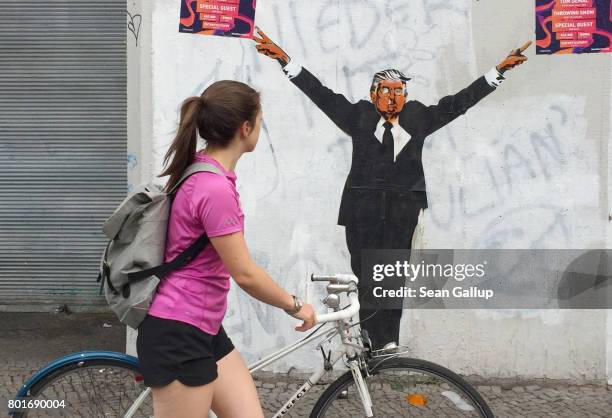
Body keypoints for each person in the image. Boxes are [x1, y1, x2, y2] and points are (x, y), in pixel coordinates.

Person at [253, 27, 530, 350]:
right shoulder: (358, 116)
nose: (392, 97)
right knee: (367, 279)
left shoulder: (419, 118)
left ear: (406, 97)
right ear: (373, 95)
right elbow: (322, 95)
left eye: (398, 91)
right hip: (361, 213)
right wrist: (286, 61)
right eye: (385, 91)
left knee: (393, 277)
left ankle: (390, 343)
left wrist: (498, 72)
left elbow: (459, 104)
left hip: (402, 212)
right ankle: (370, 341)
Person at [136, 80, 317, 418]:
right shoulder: (213, 187)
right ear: (245, 128)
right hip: (179, 333)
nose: (261, 129)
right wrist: (294, 305)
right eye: (260, 121)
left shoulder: (203, 168)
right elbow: (245, 274)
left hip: (204, 329)